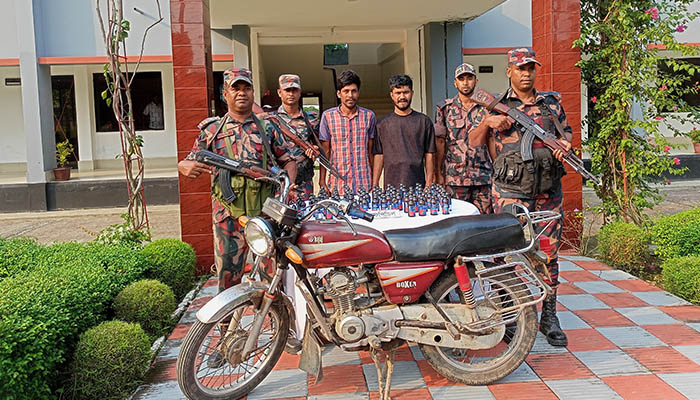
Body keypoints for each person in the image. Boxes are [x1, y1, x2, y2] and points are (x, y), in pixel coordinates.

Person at [177, 67, 299, 294]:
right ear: (225, 94)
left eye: (246, 88)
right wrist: (183, 166)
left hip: (264, 215)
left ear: (253, 93)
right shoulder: (212, 130)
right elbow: (190, 160)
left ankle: (274, 316)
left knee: (271, 279)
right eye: (235, 89)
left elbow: (289, 161)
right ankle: (230, 318)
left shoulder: (267, 127)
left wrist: (287, 187)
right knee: (228, 278)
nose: (241, 93)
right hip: (227, 216)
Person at [484, 47, 573, 347]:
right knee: (505, 255)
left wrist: (565, 145)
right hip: (510, 192)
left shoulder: (551, 104)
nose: (526, 73)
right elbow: (473, 141)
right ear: (509, 71)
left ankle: (549, 316)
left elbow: (566, 134)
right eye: (520, 68)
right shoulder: (496, 105)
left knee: (548, 254)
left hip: (548, 192)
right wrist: (487, 123)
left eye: (531, 68)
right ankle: (508, 314)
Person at [434, 63, 502, 214]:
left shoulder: (487, 107)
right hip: (455, 177)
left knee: (484, 220)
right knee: (457, 220)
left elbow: (492, 139)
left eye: (469, 78)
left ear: (476, 81)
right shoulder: (445, 108)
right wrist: (438, 173)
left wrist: (498, 170)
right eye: (461, 79)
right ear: (455, 83)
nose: (465, 82)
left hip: (483, 176)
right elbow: (440, 142)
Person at [372, 74, 435, 189]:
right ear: (392, 95)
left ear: (412, 93)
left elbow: (429, 154)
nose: (402, 97)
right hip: (391, 187)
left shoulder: (424, 121)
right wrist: (375, 184)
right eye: (398, 93)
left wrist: (429, 184)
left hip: (418, 186)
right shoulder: (382, 124)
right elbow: (379, 155)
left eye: (406, 92)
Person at [319, 70, 376, 195]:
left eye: (354, 91)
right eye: (346, 91)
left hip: (364, 183)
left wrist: (374, 182)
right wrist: (322, 181)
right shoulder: (328, 117)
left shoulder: (369, 116)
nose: (350, 95)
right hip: (338, 185)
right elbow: (325, 151)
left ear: (358, 92)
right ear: (339, 93)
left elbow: (371, 150)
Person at [274, 74, 320, 197]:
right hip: (279, 183)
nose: (291, 94)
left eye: (294, 90)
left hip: (304, 182)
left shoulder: (311, 119)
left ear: (300, 92)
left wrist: (314, 151)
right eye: (287, 90)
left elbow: (318, 146)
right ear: (279, 92)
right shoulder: (272, 119)